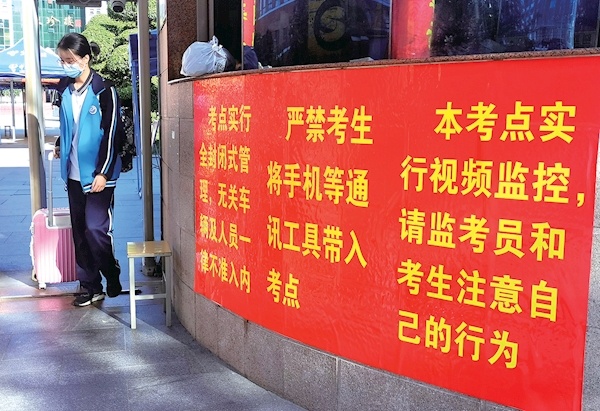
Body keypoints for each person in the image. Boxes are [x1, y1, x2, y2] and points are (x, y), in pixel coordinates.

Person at [53, 33, 124, 307]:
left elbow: (113, 134)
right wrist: (60, 144)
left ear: (85, 58)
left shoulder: (104, 90)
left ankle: (111, 272)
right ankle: (90, 286)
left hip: (98, 175)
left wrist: (103, 172)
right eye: (62, 61)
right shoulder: (64, 89)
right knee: (80, 233)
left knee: (96, 229)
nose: (66, 65)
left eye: (70, 60)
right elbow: (68, 126)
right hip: (73, 173)